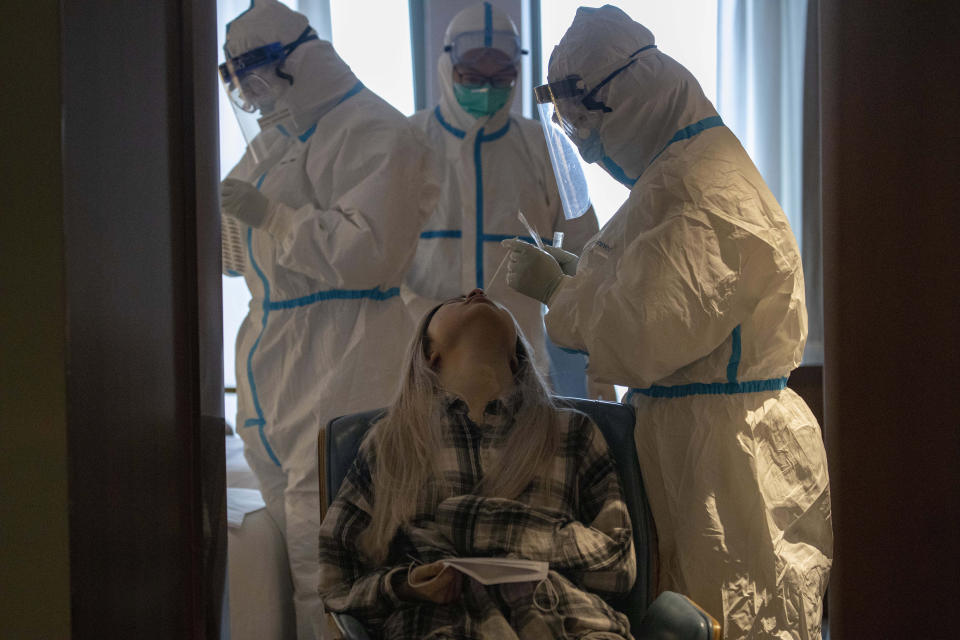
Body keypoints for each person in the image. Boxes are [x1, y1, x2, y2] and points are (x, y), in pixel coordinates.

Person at [502, 6, 832, 639]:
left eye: (585, 116)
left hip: (723, 462)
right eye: (568, 121)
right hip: (695, 441)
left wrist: (561, 293)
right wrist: (580, 275)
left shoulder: (701, 187)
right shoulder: (676, 172)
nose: (581, 136)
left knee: (732, 619)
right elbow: (650, 284)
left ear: (627, 97)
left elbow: (644, 333)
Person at [218, 1, 439, 637]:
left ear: (299, 59)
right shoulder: (274, 140)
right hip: (278, 376)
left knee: (333, 567)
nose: (249, 90)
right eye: (236, 77)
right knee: (299, 557)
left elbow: (367, 254)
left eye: (255, 70)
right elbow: (235, 255)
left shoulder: (376, 131)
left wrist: (273, 218)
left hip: (342, 368)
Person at [318, 289, 635, 639]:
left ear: (515, 359)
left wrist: (473, 523)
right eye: (453, 300)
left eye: (494, 303)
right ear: (429, 353)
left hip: (564, 625)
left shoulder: (572, 431)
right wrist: (405, 586)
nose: (475, 292)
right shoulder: (390, 443)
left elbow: (617, 568)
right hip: (436, 627)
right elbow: (336, 581)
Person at [403, 2, 613, 399]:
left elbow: (590, 259)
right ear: (448, 67)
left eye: (501, 76)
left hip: (518, 365)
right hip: (422, 361)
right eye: (473, 75)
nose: (486, 86)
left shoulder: (547, 148)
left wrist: (599, 379)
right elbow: (382, 257)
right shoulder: (409, 142)